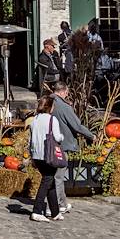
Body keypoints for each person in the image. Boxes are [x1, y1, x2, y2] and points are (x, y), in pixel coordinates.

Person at [49, 82, 96, 215]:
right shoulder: (64, 107)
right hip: (60, 145)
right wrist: (92, 136)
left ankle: (61, 202)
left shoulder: (46, 101)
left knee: (52, 176)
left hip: (47, 145)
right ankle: (58, 204)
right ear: (63, 91)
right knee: (58, 176)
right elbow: (77, 126)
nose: (67, 95)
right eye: (67, 92)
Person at [29, 95, 65, 221]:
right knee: (47, 181)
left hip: (37, 156)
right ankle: (37, 211)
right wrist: (62, 137)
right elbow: (57, 137)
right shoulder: (52, 119)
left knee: (50, 182)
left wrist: (31, 157)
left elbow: (30, 140)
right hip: (48, 155)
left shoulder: (34, 120)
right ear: (49, 107)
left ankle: (55, 212)